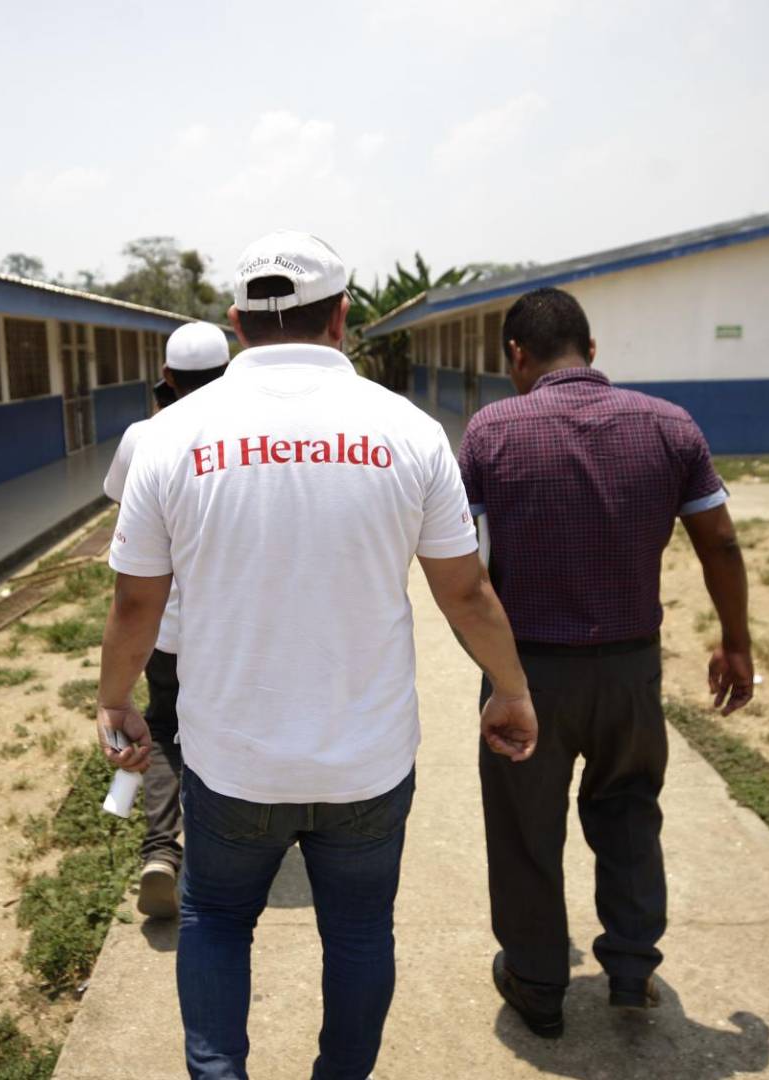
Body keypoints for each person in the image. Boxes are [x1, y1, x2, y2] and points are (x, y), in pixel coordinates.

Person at [94, 231, 539, 1080]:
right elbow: (467, 594)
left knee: (217, 920)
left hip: (232, 762)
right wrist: (511, 689)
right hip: (365, 764)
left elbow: (135, 602)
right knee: (362, 932)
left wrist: (116, 702)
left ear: (236, 324)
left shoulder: (171, 437)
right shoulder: (408, 432)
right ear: (342, 318)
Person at [458, 286, 753, 1039]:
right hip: (630, 670)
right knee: (627, 812)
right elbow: (718, 540)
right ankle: (629, 969)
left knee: (527, 828)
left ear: (517, 358)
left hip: (528, 674)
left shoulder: (492, 432)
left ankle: (538, 983)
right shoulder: (668, 425)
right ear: (592, 352)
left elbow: (471, 570)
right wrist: (735, 639)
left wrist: (495, 672)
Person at [101, 319, 232, 920]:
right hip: (232, 627)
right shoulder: (248, 432)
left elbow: (123, 512)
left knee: (164, 729)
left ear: (167, 378)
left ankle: (159, 850)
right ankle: (229, 843)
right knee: (228, 728)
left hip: (165, 630)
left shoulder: (144, 435)